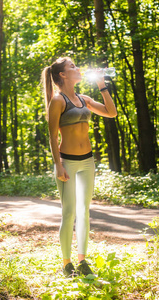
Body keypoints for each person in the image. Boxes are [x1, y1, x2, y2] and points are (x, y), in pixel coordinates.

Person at [41, 57, 117, 277]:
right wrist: (58, 165)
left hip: (88, 161)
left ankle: (82, 260)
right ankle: (67, 263)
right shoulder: (58, 100)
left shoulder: (84, 99)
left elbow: (111, 113)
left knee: (84, 212)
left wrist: (102, 85)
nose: (78, 68)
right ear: (63, 75)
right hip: (68, 162)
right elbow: (52, 137)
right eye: (72, 67)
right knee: (69, 212)